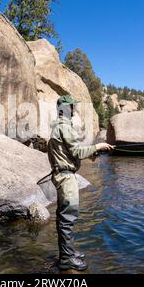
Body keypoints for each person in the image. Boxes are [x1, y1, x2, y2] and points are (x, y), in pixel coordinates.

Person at [47, 94, 114, 271]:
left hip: (63, 175)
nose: (74, 109)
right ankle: (67, 259)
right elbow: (76, 151)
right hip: (66, 177)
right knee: (67, 218)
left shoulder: (58, 127)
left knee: (65, 217)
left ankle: (67, 253)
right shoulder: (64, 127)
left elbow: (69, 152)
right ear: (65, 109)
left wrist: (91, 154)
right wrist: (98, 147)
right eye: (72, 107)